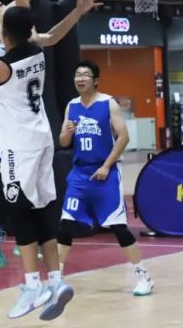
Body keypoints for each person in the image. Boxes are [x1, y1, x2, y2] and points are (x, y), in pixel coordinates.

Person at [0, 0, 85, 320]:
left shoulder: (0, 65)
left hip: (18, 144)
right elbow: (41, 23)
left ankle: (32, 285)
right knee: (44, 208)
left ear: (3, 33)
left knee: (21, 212)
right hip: (44, 138)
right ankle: (56, 280)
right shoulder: (35, 50)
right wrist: (77, 11)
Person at [0, 0, 101, 269]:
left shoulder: (19, 36)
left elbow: (52, 35)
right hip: (5, 115)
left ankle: (17, 234)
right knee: (13, 181)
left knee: (24, 181)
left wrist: (76, 13)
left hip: (21, 116)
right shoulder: (1, 27)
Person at [57, 61, 154, 296]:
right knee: (66, 224)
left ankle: (143, 276)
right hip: (79, 175)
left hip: (105, 174)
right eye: (77, 74)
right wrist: (66, 132)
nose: (80, 78)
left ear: (96, 80)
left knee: (118, 227)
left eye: (85, 75)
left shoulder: (108, 103)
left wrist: (106, 166)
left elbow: (123, 137)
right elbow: (63, 142)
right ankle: (55, 278)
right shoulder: (72, 105)